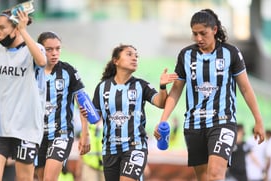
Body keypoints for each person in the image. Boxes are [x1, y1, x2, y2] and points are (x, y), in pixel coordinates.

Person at [154, 8, 265, 181]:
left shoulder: (231, 53)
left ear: (214, 30)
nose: (199, 38)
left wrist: (258, 120)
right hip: (194, 125)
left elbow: (245, 88)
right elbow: (176, 90)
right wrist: (163, 120)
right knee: (204, 178)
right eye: (194, 34)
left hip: (222, 122)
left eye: (203, 33)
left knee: (215, 175)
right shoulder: (186, 55)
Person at [91, 44, 178, 181]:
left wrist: (162, 86)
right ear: (116, 61)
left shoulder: (140, 85)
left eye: (136, 56)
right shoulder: (102, 87)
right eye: (129, 54)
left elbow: (160, 103)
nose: (134, 58)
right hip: (110, 149)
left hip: (135, 146)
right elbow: (94, 117)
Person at [0, 8, 46, 181]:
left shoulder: (34, 49)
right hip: (0, 128)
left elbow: (42, 61)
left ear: (16, 28)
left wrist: (24, 30)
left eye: (2, 28)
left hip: (26, 129)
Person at [34, 31, 90, 181]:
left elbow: (82, 103)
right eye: (49, 49)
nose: (54, 53)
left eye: (58, 49)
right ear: (39, 49)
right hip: (36, 135)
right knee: (40, 178)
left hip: (61, 133)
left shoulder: (68, 71)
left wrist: (85, 133)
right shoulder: (31, 71)